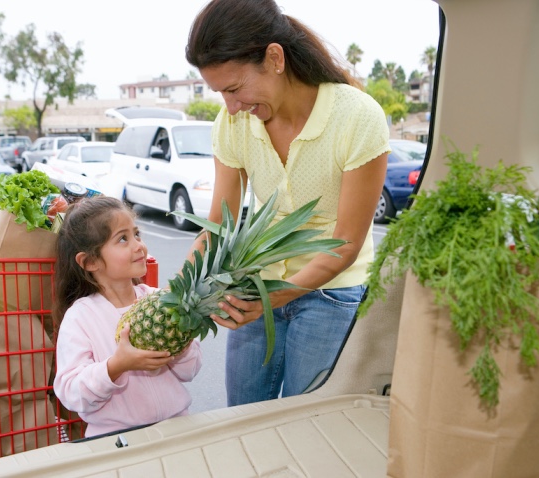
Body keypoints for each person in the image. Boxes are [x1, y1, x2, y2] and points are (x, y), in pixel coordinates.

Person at [185, 0, 390, 406]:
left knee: (304, 423)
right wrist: (176, 291)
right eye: (219, 93)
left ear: (274, 58)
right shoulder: (232, 123)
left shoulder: (357, 117)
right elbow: (218, 227)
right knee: (242, 416)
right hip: (254, 287)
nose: (231, 107)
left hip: (332, 293)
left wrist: (271, 298)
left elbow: (345, 244)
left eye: (234, 88)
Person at [52, 196, 202, 437]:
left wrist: (181, 346)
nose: (138, 245)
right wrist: (115, 366)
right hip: (116, 439)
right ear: (90, 261)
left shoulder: (159, 300)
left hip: (176, 428)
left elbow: (190, 371)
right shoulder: (80, 318)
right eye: (123, 238)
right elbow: (71, 392)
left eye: (137, 234)